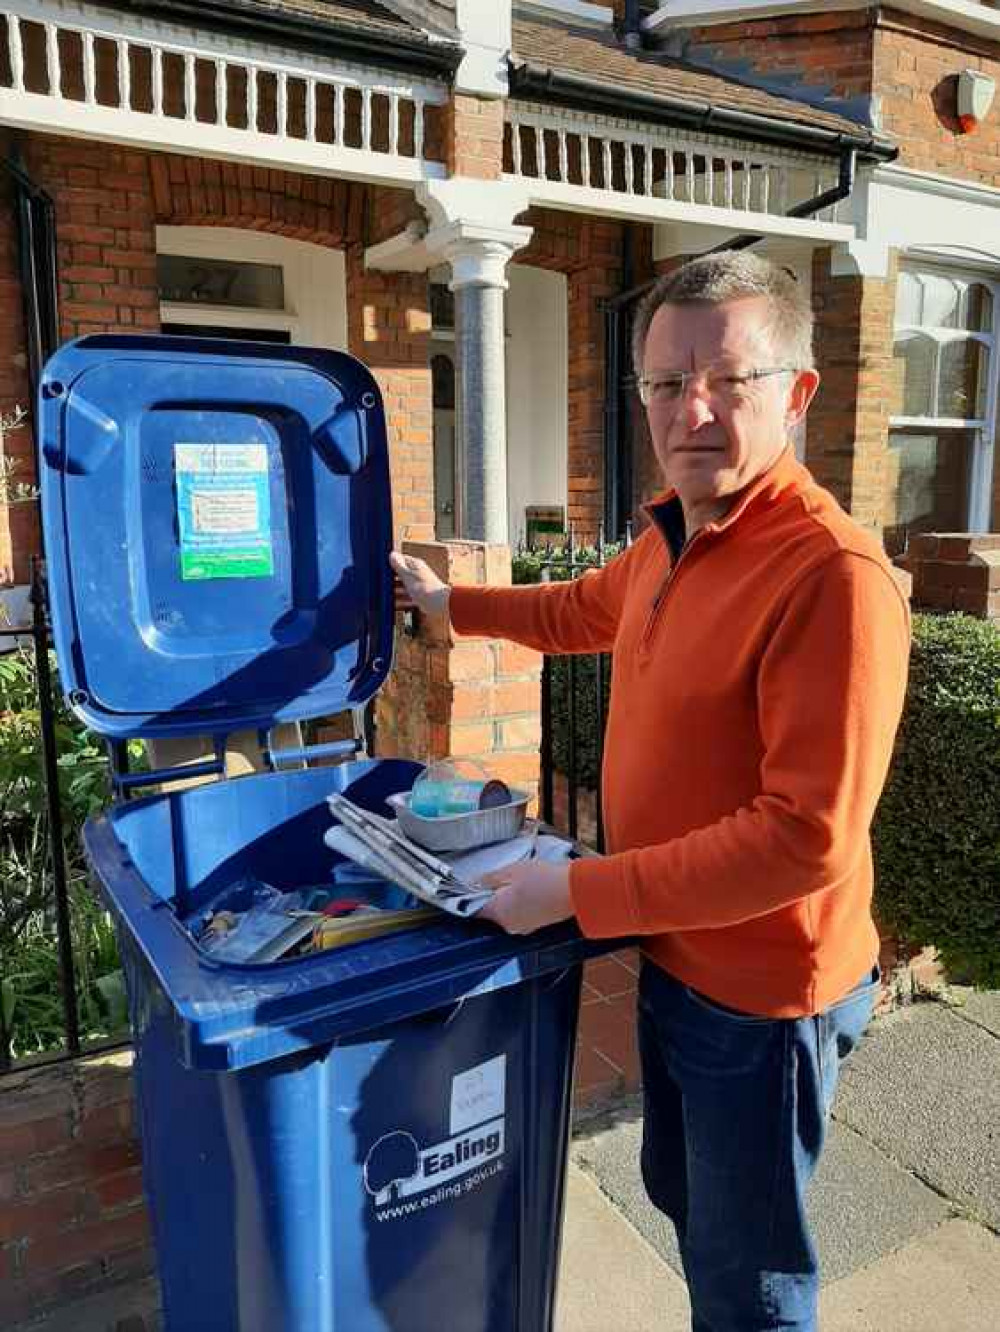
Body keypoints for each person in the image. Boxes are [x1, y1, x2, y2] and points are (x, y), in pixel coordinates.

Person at [391, 250, 910, 1332]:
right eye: (667, 385)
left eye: (728, 380)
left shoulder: (830, 576)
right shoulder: (672, 537)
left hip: (766, 995)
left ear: (798, 392)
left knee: (750, 1277)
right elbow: (579, 611)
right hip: (679, 953)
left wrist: (576, 895)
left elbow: (801, 841)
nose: (695, 410)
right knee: (687, 1204)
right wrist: (455, 609)